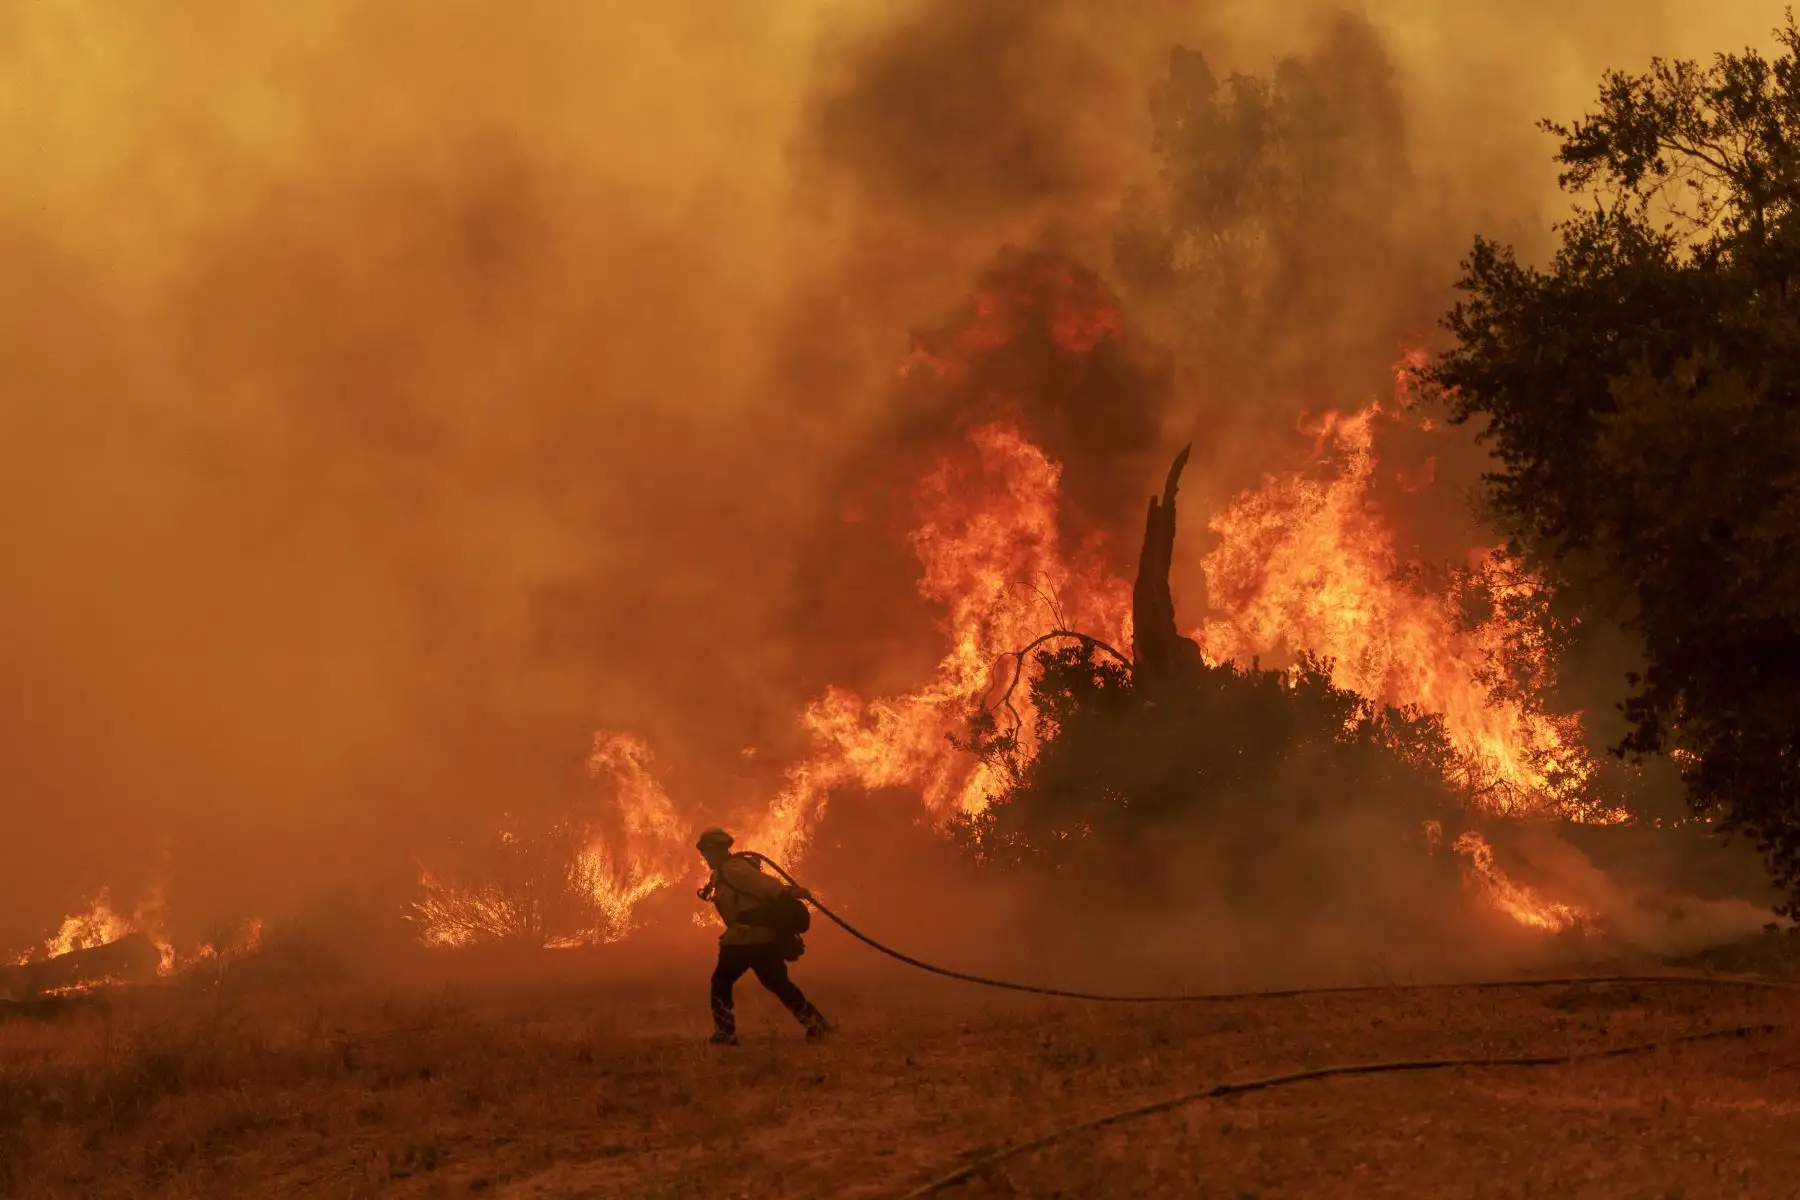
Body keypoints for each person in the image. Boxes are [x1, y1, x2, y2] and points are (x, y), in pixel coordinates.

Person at [695, 827, 832, 1045]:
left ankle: (725, 1033)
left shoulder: (734, 869)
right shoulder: (722, 872)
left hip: (746, 939)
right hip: (759, 939)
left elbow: (764, 886)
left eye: (706, 852)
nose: (705, 857)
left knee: (721, 981)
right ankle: (816, 1025)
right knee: (777, 983)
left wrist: (787, 893)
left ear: (716, 850)